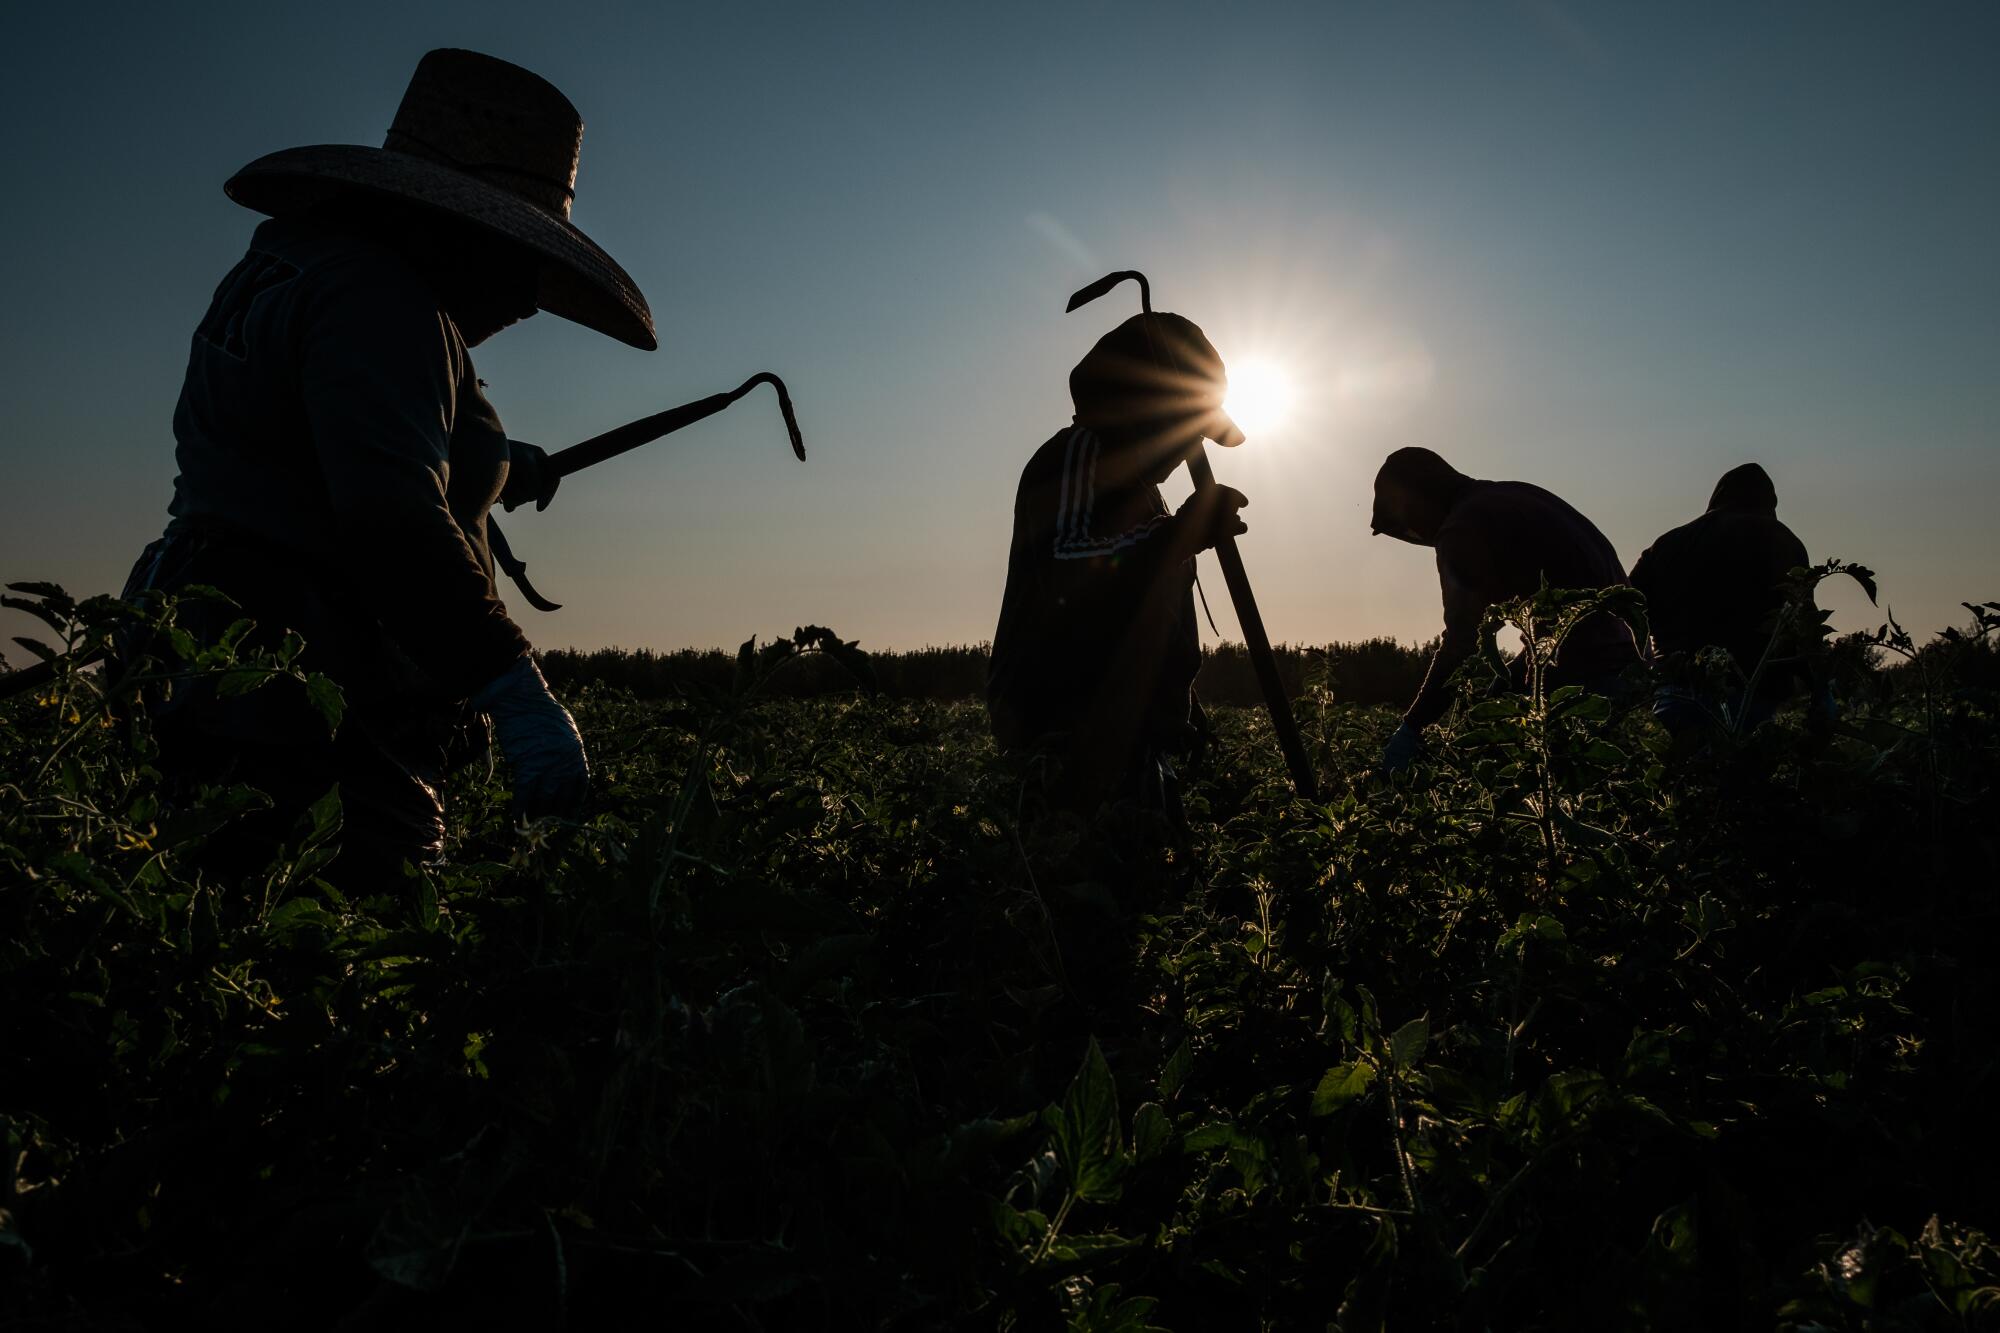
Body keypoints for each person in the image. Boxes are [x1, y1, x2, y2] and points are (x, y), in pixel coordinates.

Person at [125, 48, 658, 879]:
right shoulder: (381, 301)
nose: (528, 301)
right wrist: (512, 687)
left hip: (209, 655)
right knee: (357, 949)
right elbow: (391, 518)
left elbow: (316, 438)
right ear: (455, 225)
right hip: (304, 694)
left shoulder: (300, 262)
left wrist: (503, 465)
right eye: (522, 260)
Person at [987, 312, 1249, 809]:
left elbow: (1148, 619)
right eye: (1184, 431)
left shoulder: (1146, 497)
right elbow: (1067, 573)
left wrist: (1183, 711)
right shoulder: (1075, 456)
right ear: (1144, 413)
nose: (1188, 451)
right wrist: (1180, 536)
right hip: (1063, 734)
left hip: (1130, 741)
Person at [1371, 448, 1639, 772]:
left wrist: (1412, 727)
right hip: (1630, 663)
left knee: (1547, 794)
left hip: (1588, 678)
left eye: (1407, 523)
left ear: (1415, 501)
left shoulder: (1463, 527)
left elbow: (1462, 644)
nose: (1418, 534)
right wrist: (1505, 682)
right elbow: (1565, 608)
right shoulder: (1512, 496)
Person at [1630, 462, 1825, 734]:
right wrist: (1821, 692)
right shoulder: (1780, 539)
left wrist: (1643, 671)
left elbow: (1626, 606)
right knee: (1740, 772)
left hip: (1678, 694)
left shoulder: (1667, 543)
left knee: (1683, 772)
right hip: (1750, 693)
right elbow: (1801, 623)